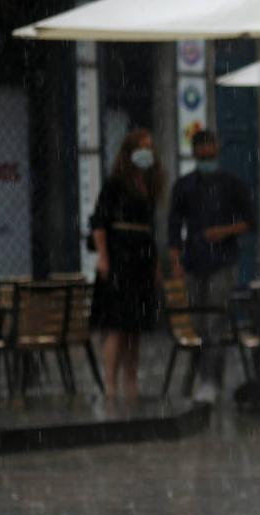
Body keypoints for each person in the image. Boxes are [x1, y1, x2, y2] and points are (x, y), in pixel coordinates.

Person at [166, 130, 253, 402]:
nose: (207, 159)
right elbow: (173, 226)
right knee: (199, 322)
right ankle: (205, 377)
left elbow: (249, 221)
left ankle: (211, 381)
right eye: (203, 155)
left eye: (211, 154)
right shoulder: (184, 186)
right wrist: (177, 262)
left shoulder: (231, 184)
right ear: (194, 154)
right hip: (195, 262)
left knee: (215, 322)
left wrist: (224, 231)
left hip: (222, 262)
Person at [91, 129, 164, 399]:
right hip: (120, 256)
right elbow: (99, 221)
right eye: (143, 147)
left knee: (135, 327)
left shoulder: (148, 185)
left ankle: (131, 381)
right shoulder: (115, 184)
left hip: (141, 258)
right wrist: (104, 256)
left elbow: (150, 229)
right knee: (116, 324)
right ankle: (110, 383)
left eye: (150, 147)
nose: (148, 152)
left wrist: (155, 264)